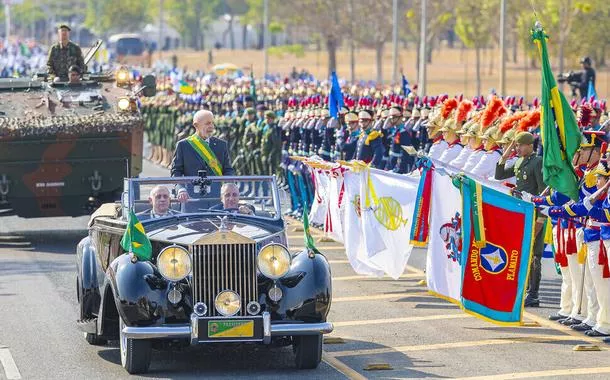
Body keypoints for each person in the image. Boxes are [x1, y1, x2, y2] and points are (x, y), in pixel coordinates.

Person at [495, 131, 546, 307]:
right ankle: (523, 289)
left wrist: (540, 219)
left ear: (530, 145)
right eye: (516, 145)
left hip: (533, 214)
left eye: (520, 145)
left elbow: (543, 192)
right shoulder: (519, 161)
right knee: (522, 250)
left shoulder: (537, 162)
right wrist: (507, 152)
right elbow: (499, 175)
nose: (517, 148)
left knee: (534, 254)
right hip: (520, 214)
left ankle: (534, 294)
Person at [171, 109, 235, 202]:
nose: (211, 127)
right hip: (190, 198)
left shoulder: (221, 145)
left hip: (216, 197)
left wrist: (228, 187)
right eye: (207, 123)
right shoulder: (183, 145)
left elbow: (228, 170)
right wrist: (181, 189)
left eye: (212, 123)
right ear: (196, 125)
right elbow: (176, 171)